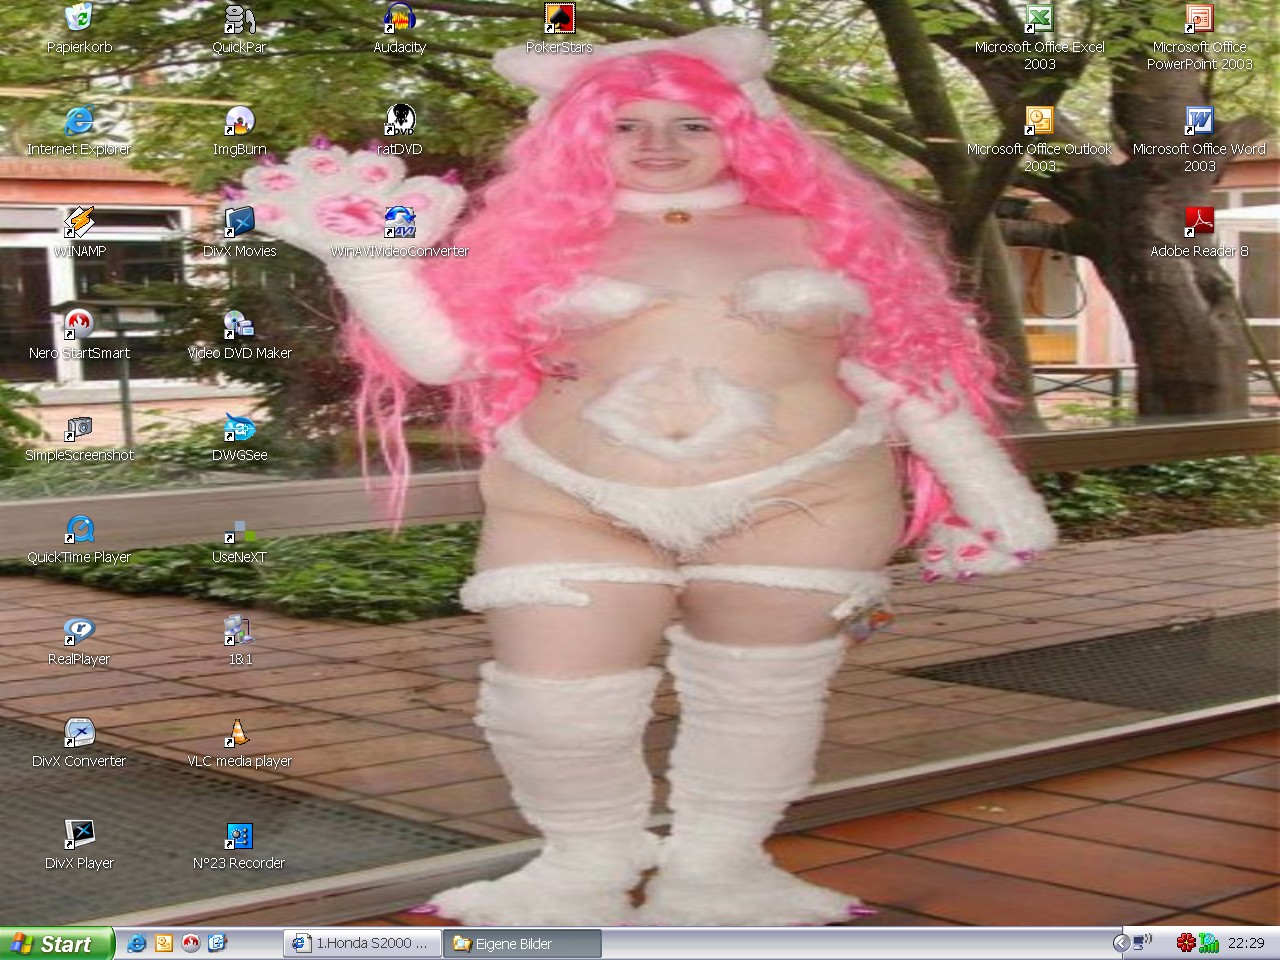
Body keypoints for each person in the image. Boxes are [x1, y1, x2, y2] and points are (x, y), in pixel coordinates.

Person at [239, 26, 1056, 927]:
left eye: (690, 123)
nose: (657, 143)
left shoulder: (829, 230)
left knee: (761, 696)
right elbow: (445, 359)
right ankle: (582, 863)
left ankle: (720, 871)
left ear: (742, 127)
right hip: (567, 501)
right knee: (551, 706)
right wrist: (368, 264)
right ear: (580, 133)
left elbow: (908, 372)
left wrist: (994, 498)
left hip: (807, 498)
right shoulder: (536, 237)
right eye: (626, 124)